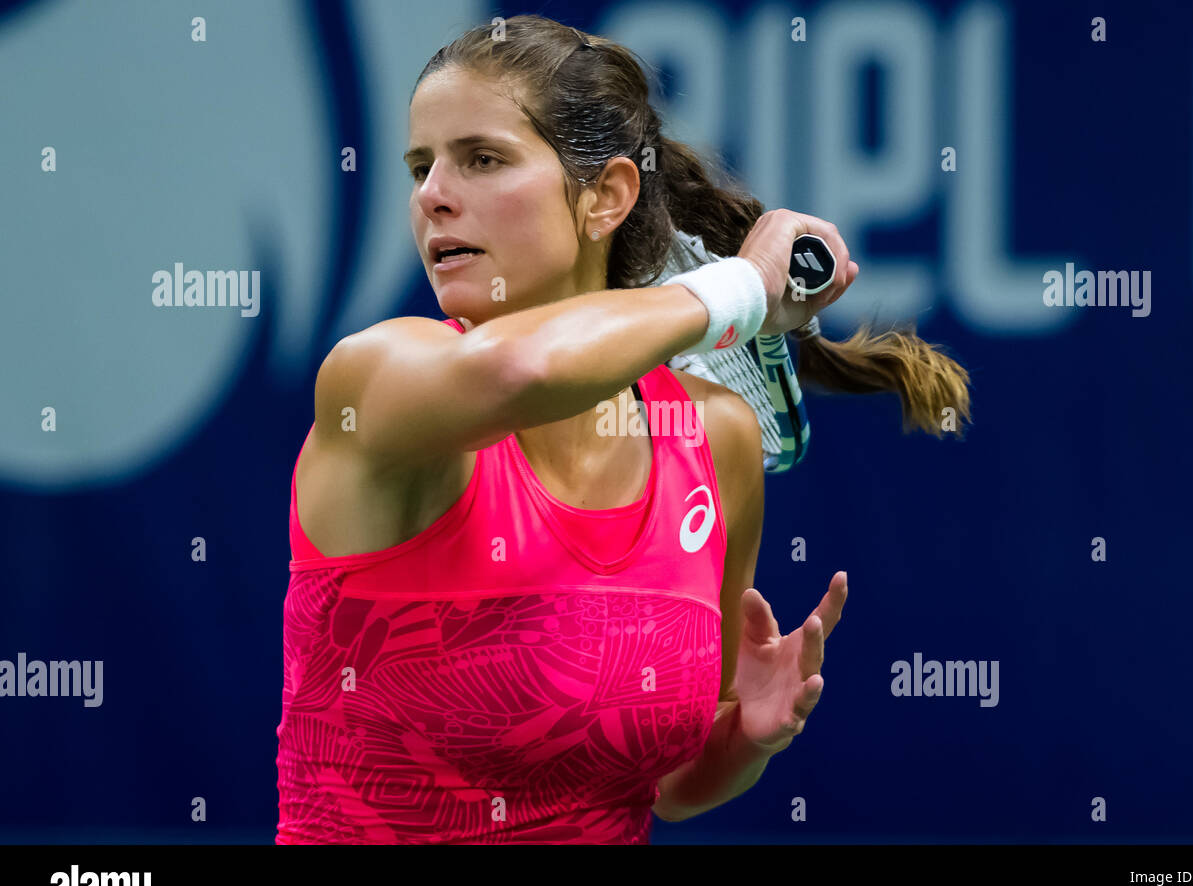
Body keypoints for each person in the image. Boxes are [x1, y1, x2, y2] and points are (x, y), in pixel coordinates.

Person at [275, 14, 968, 844]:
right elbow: (519, 371)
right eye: (422, 166)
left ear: (605, 195)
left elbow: (668, 783)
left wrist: (746, 737)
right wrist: (741, 289)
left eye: (482, 158)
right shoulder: (376, 379)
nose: (432, 195)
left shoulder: (715, 438)